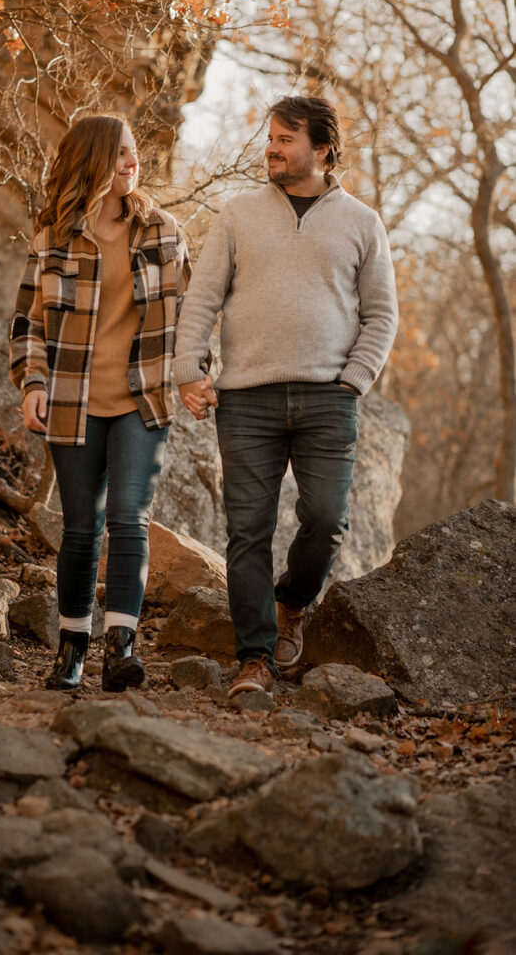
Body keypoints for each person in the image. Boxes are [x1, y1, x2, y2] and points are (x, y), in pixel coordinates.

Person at [173, 95, 398, 699]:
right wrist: (188, 368)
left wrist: (355, 378)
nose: (271, 147)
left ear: (322, 149)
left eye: (285, 138)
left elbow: (381, 316)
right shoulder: (237, 212)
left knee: (326, 520)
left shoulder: (361, 222)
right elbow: (202, 299)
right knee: (247, 531)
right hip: (247, 399)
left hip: (330, 399)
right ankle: (255, 660)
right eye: (270, 136)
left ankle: (292, 603)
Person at [10, 114, 191, 692]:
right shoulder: (54, 238)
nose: (130, 163)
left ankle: (122, 648)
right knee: (83, 530)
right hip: (73, 401)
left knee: (129, 519)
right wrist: (32, 383)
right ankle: (71, 650)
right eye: (117, 155)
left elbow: (193, 318)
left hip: (141, 400)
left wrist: (197, 374)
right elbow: (27, 323)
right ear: (92, 163)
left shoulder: (164, 233)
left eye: (133, 152)